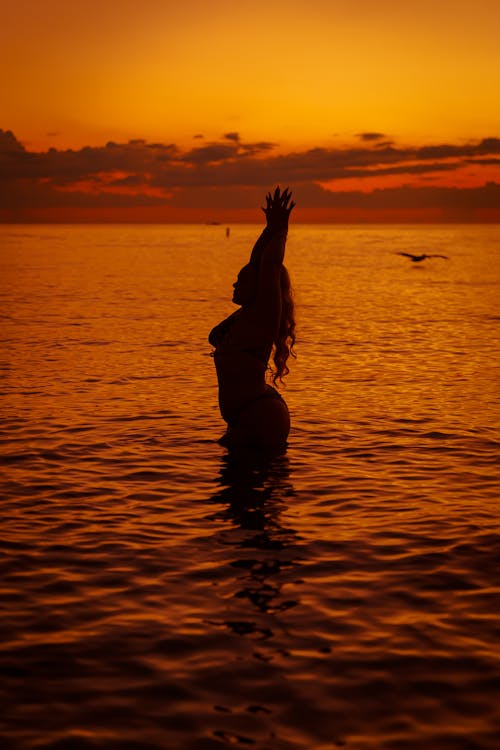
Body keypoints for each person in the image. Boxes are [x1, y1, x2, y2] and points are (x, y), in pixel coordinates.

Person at [209, 187, 296, 455]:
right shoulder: (246, 313)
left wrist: (282, 229)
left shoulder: (263, 314)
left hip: (260, 415)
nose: (234, 283)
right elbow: (257, 261)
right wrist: (269, 228)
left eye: (241, 279)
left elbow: (268, 265)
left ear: (258, 286)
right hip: (248, 414)